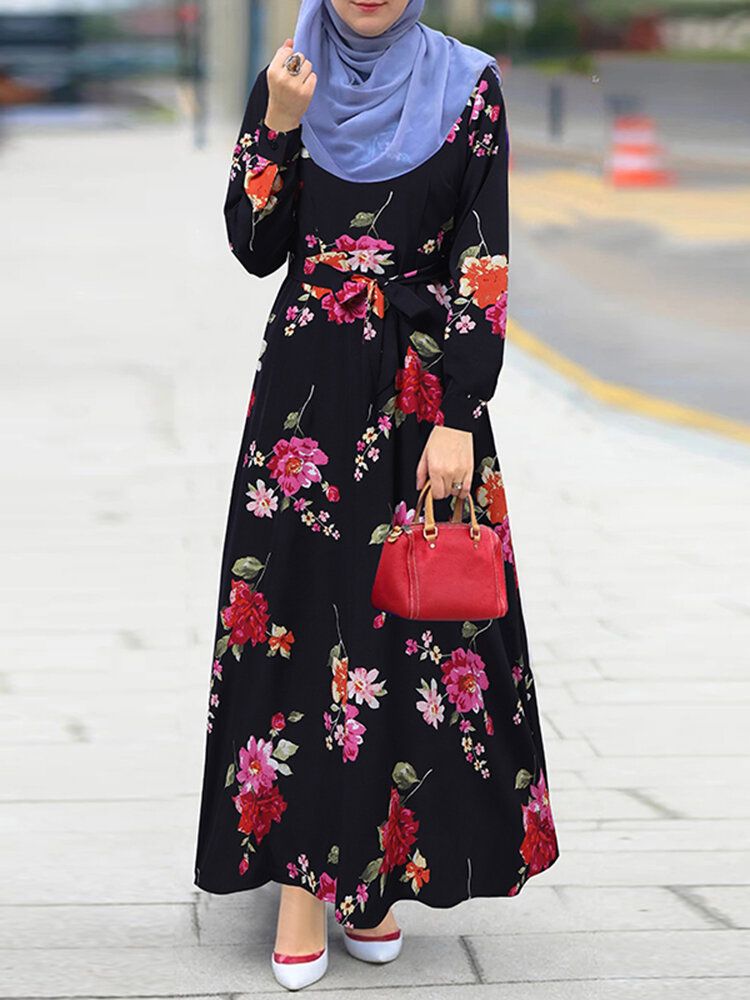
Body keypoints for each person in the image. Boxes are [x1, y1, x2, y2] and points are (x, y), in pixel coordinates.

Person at [193, 0, 559, 990]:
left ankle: (383, 867)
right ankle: (305, 886)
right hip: (306, 403)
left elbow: (482, 264)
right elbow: (254, 242)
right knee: (302, 627)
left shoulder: (467, 84)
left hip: (418, 401)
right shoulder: (291, 74)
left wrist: (458, 415)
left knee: (407, 628)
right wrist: (273, 119)